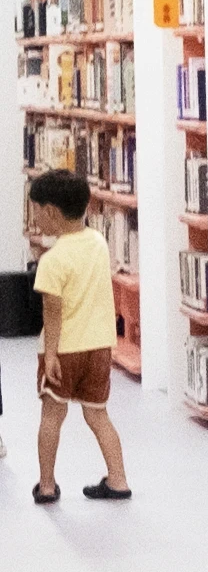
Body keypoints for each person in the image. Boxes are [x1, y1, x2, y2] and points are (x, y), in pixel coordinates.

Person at [24, 168, 130, 503]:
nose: (35, 215)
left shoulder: (52, 261)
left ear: (51, 213)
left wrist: (51, 355)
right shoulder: (98, 243)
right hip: (100, 346)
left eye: (36, 209)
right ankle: (118, 480)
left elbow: (52, 314)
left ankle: (46, 485)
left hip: (65, 350)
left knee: (52, 415)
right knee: (98, 414)